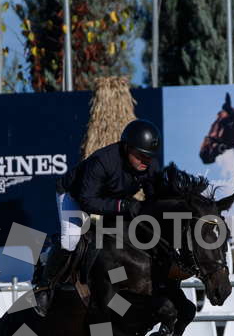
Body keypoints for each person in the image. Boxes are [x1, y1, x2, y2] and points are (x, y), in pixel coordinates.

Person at [32, 119, 161, 317]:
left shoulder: (149, 166)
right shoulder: (103, 161)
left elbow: (154, 198)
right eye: (140, 155)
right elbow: (87, 201)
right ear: (126, 147)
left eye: (149, 156)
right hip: (74, 195)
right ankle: (44, 285)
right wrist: (122, 206)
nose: (145, 161)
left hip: (111, 199)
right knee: (71, 239)